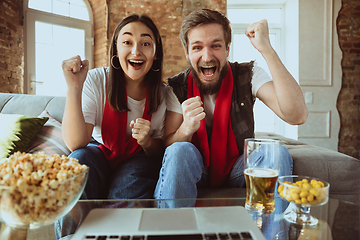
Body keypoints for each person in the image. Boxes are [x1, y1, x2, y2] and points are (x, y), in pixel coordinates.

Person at [154, 9, 308, 207]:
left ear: (227, 48)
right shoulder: (177, 87)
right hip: (198, 169)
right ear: (187, 53)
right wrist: (186, 128)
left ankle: (271, 235)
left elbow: (297, 115)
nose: (207, 56)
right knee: (179, 150)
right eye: (197, 47)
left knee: (277, 153)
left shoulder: (248, 74)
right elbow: (168, 147)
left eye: (215, 46)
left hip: (239, 167)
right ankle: (173, 233)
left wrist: (267, 49)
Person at [61, 14, 166, 200]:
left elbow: (160, 151)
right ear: (116, 50)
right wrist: (74, 87)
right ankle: (73, 231)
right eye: (127, 42)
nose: (136, 51)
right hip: (99, 149)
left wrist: (147, 141)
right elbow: (76, 144)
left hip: (138, 155)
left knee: (130, 183)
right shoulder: (96, 80)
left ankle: (118, 229)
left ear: (156, 52)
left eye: (146, 43)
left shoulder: (165, 94)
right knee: (77, 163)